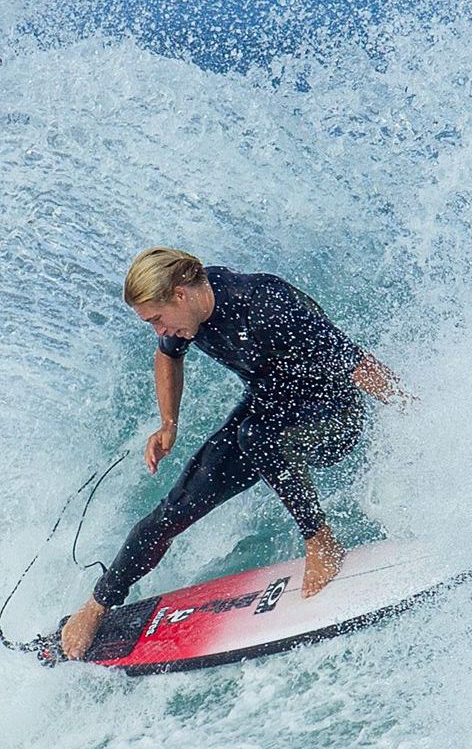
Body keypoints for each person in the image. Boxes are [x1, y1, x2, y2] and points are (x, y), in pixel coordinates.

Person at [60, 247, 409, 660]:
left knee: (255, 436)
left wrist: (421, 415)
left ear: (180, 296)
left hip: (333, 417)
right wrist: (168, 424)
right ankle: (98, 604)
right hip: (269, 411)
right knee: (175, 507)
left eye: (156, 319)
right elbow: (166, 356)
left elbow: (357, 364)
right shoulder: (186, 314)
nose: (159, 330)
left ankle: (321, 541)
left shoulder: (263, 302)